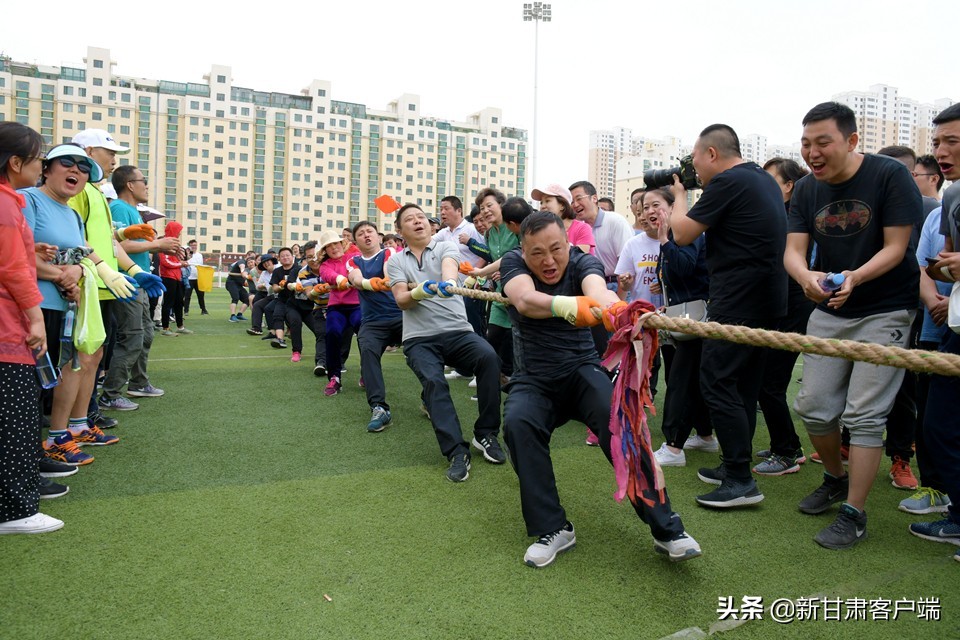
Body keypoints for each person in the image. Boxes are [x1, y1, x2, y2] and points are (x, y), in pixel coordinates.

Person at [500, 211, 701, 567]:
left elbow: (599, 291)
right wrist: (568, 305)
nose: (549, 261)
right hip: (532, 377)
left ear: (567, 241)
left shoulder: (583, 261)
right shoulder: (514, 263)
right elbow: (525, 300)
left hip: (582, 370)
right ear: (523, 250)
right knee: (517, 424)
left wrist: (617, 310)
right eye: (538, 253)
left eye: (556, 249)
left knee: (619, 424)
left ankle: (668, 530)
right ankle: (554, 528)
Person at [784, 102, 921, 549]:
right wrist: (807, 278)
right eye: (806, 143)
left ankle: (854, 512)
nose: (813, 152)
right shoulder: (805, 189)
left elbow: (897, 248)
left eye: (823, 142)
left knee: (864, 416)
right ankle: (834, 477)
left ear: (851, 141)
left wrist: (855, 277)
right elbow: (793, 250)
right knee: (815, 406)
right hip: (829, 309)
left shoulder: (888, 176)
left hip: (886, 310)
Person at [669, 124, 787, 509]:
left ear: (712, 154)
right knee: (743, 386)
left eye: (696, 159)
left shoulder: (728, 182)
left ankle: (739, 478)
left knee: (717, 380)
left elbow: (683, 233)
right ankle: (735, 466)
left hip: (738, 301)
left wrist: (679, 196)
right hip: (766, 299)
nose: (696, 169)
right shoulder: (763, 180)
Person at [24, 144, 136, 467]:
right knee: (29, 383)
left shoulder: (73, 214)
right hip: (33, 306)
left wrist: (85, 271)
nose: (76, 171)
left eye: (83, 168)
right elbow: (18, 255)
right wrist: (64, 274)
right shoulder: (30, 201)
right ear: (46, 169)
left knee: (68, 366)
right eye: (67, 163)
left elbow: (80, 254)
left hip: (68, 305)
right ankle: (30, 455)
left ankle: (58, 437)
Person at [386, 203, 505, 482]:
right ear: (399, 230)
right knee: (434, 382)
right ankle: (455, 450)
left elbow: (450, 268)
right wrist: (420, 290)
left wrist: (448, 282)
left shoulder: (445, 247)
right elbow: (402, 300)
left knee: (489, 359)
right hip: (419, 340)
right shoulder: (396, 261)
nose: (418, 222)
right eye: (410, 219)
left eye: (421, 218)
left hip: (458, 332)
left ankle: (485, 434)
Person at [0, 121, 66, 534]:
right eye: (39, 158)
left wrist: (31, 246)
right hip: (9, 329)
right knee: (16, 421)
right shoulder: (7, 204)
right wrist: (36, 315)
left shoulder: (10, 203)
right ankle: (14, 510)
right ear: (15, 163)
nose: (41, 165)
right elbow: (13, 270)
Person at [910, 103, 960, 561]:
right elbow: (941, 258)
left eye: (953, 142)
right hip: (952, 328)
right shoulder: (952, 198)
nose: (941, 153)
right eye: (938, 142)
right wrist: (938, 289)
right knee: (939, 423)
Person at [643, 188, 715, 467]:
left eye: (657, 205)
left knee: (680, 382)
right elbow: (679, 277)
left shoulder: (683, 234)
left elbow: (684, 268)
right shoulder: (675, 235)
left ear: (674, 207)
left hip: (694, 319)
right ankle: (706, 437)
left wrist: (663, 239)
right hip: (683, 315)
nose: (650, 211)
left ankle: (673, 448)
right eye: (645, 207)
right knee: (692, 381)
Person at [750, 158, 814, 476]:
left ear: (789, 186)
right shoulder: (780, 215)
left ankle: (787, 452)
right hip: (781, 308)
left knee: (770, 384)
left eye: (771, 180)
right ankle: (787, 444)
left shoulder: (792, 218)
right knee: (768, 381)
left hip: (794, 308)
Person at [98, 164, 172, 411]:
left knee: (146, 333)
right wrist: (157, 245)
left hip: (138, 281)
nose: (147, 185)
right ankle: (110, 394)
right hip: (126, 282)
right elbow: (119, 247)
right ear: (130, 184)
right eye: (144, 180)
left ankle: (139, 383)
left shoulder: (132, 210)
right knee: (131, 337)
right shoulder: (119, 207)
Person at [346, 221, 403, 431]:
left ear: (378, 236)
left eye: (370, 231)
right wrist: (370, 283)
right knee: (367, 351)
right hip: (372, 323)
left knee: (421, 353)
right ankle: (379, 407)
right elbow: (356, 279)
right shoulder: (353, 260)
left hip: (401, 316)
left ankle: (429, 399)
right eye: (361, 234)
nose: (366, 235)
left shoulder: (389, 252)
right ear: (356, 241)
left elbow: (389, 269)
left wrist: (387, 279)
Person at [319, 230, 363, 392]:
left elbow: (357, 270)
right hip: (336, 307)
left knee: (365, 334)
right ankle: (334, 377)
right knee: (332, 333)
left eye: (336, 244)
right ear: (325, 251)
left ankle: (367, 372)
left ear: (342, 244)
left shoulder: (354, 258)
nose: (333, 248)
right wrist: (340, 279)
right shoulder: (325, 265)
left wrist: (351, 278)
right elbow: (328, 275)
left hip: (357, 305)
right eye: (328, 246)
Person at [531, 184, 595, 254]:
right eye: (541, 203)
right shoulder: (541, 230)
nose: (542, 206)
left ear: (562, 205)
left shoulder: (582, 228)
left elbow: (578, 256)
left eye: (547, 201)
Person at [158, 221, 191, 337]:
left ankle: (180, 327)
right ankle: (165, 328)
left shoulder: (174, 243)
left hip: (176, 277)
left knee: (179, 302)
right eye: (179, 231)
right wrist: (181, 264)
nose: (180, 234)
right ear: (173, 231)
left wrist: (181, 262)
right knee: (168, 303)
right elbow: (165, 261)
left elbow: (174, 260)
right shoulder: (165, 242)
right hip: (168, 277)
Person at [184, 239, 208, 315]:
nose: (194, 247)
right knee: (187, 296)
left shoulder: (199, 255)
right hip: (189, 278)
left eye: (195, 245)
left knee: (201, 295)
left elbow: (201, 266)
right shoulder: (187, 255)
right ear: (189, 246)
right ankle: (186, 310)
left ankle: (203, 310)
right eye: (192, 245)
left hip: (198, 278)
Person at [226, 254, 249, 322]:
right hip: (231, 283)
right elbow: (242, 266)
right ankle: (232, 316)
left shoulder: (251, 268)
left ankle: (239, 314)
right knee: (235, 298)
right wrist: (242, 271)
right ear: (246, 257)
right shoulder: (242, 262)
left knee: (247, 299)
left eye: (253, 259)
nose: (251, 261)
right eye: (249, 258)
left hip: (239, 285)